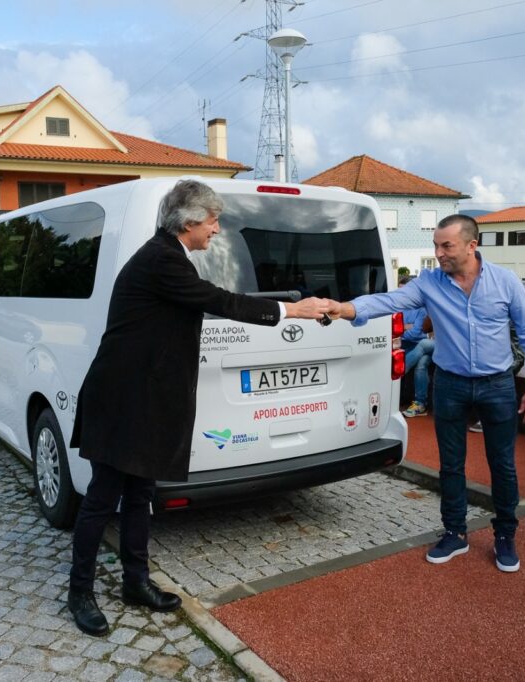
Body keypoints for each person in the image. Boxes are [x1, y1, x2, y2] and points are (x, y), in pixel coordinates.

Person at [66, 180, 330, 636]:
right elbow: (218, 300)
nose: (217, 229)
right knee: (101, 500)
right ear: (188, 222)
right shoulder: (161, 260)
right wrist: (291, 310)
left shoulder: (169, 255)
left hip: (145, 400)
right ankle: (80, 592)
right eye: (213, 220)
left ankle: (135, 582)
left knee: (141, 495)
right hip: (121, 400)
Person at [325, 214, 525, 573]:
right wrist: (345, 309)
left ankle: (505, 534)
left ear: (471, 245)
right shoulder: (429, 282)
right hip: (449, 384)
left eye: (446, 245)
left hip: (498, 386)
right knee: (450, 464)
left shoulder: (506, 282)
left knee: (504, 465)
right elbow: (389, 301)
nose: (439, 252)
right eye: (436, 245)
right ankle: (455, 533)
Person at [400, 280, 435, 417]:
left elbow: (417, 332)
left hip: (434, 344)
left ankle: (399, 372)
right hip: (417, 345)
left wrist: (404, 327)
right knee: (421, 363)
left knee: (422, 344)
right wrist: (406, 327)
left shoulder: (422, 308)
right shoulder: (400, 308)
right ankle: (421, 404)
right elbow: (393, 328)